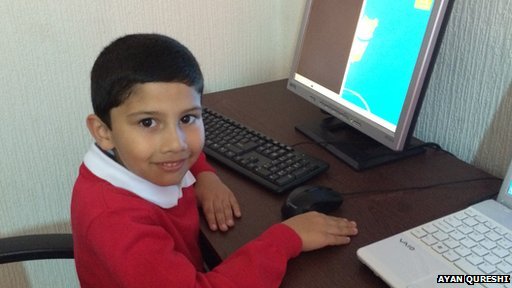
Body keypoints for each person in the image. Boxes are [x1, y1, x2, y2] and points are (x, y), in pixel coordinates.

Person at [71, 33, 358, 288]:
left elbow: (186, 153)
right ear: (103, 131)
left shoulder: (134, 161)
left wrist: (205, 175)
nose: (176, 144)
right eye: (148, 122)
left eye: (187, 118)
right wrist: (286, 238)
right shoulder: (116, 224)